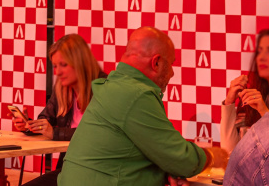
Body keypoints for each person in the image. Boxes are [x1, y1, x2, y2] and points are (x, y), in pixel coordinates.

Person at [58, 27, 225, 186]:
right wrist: (212, 156)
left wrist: (167, 168)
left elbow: (139, 153)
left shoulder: (115, 86)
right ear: (157, 63)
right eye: (171, 64)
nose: (172, 73)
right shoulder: (136, 94)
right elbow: (182, 159)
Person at [12, 34, 106, 185]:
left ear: (80, 62)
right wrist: (30, 125)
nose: (57, 72)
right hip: (69, 167)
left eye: (64, 65)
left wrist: (54, 132)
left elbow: (97, 133)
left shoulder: (104, 87)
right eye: (55, 66)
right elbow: (46, 117)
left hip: (97, 170)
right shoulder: (62, 88)